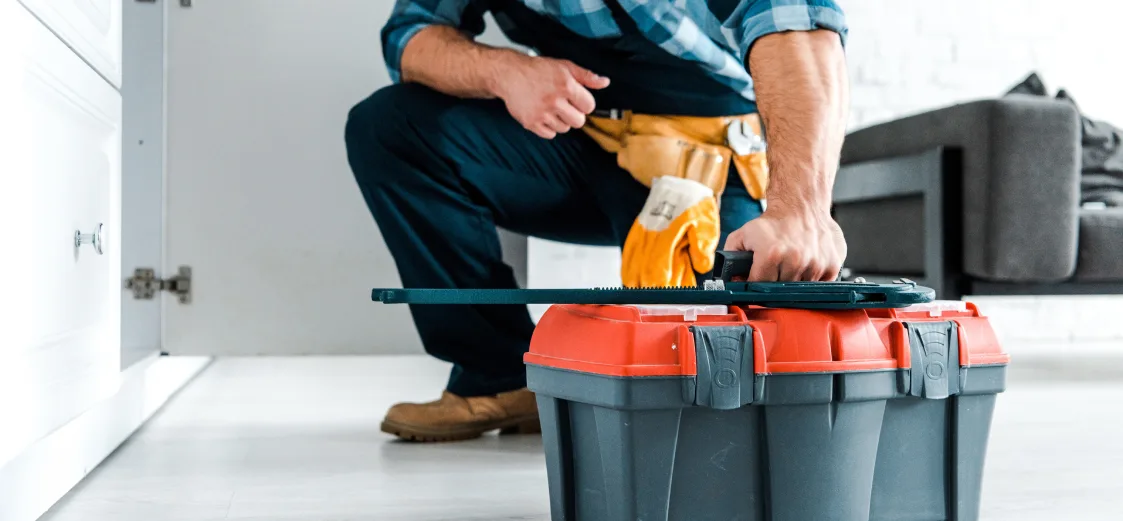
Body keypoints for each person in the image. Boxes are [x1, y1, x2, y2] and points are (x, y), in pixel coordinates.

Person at [344, 0, 850, 442]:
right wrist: (505, 71)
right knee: (390, 128)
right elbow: (410, 33)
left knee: (715, 376)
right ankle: (498, 375)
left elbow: (795, 25)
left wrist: (799, 209)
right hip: (579, 139)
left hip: (713, 156)